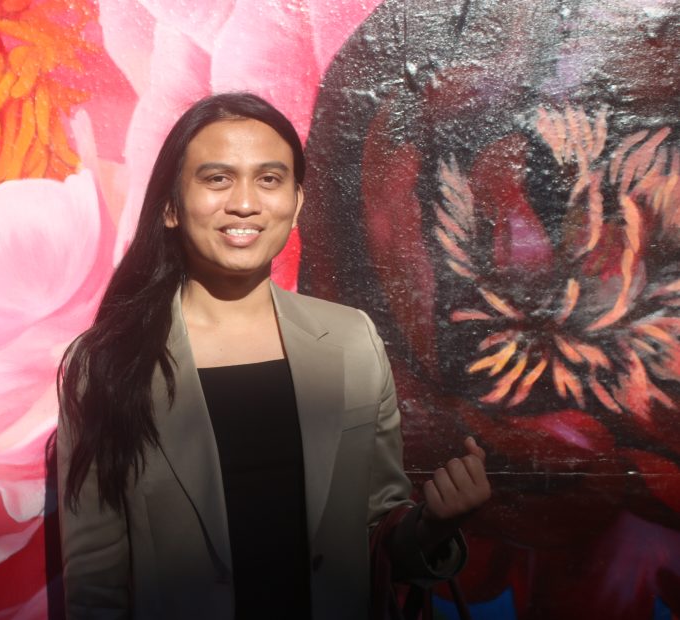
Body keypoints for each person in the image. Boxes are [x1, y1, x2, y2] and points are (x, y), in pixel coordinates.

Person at [57, 92, 490, 619]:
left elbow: (378, 537)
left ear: (297, 202)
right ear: (170, 206)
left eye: (269, 179)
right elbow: (96, 583)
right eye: (218, 178)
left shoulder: (352, 341)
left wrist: (431, 527)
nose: (245, 203)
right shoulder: (107, 364)